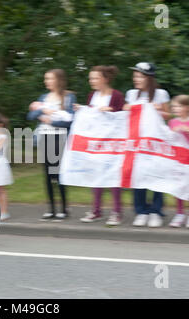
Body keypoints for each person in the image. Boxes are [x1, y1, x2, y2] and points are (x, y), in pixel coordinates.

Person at [123, 62, 171, 228]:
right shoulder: (131, 94)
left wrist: (157, 109)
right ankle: (141, 210)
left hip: (155, 142)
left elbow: (167, 115)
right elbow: (125, 110)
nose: (136, 79)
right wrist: (131, 107)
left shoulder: (160, 93)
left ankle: (156, 211)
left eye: (140, 76)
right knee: (139, 175)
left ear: (149, 78)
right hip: (137, 141)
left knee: (157, 175)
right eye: (135, 75)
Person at [78, 65, 125, 226]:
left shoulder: (116, 95)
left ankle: (116, 212)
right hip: (95, 141)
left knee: (113, 177)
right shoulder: (92, 95)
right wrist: (82, 110)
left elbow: (122, 117)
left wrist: (111, 110)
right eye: (91, 78)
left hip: (112, 142)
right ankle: (96, 210)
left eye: (95, 78)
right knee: (96, 176)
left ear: (105, 79)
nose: (92, 81)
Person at [27, 69, 76, 221]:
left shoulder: (68, 97)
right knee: (48, 175)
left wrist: (51, 120)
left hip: (59, 138)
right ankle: (51, 208)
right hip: (45, 138)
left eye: (49, 78)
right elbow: (31, 115)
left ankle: (63, 208)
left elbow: (70, 120)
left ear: (58, 80)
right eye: (45, 78)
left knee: (59, 174)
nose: (46, 81)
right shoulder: (44, 97)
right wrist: (42, 109)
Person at [167, 95, 189, 229]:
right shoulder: (172, 122)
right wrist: (172, 133)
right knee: (178, 185)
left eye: (179, 106)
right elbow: (169, 140)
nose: (176, 109)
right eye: (174, 107)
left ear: (187, 107)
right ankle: (179, 213)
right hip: (177, 158)